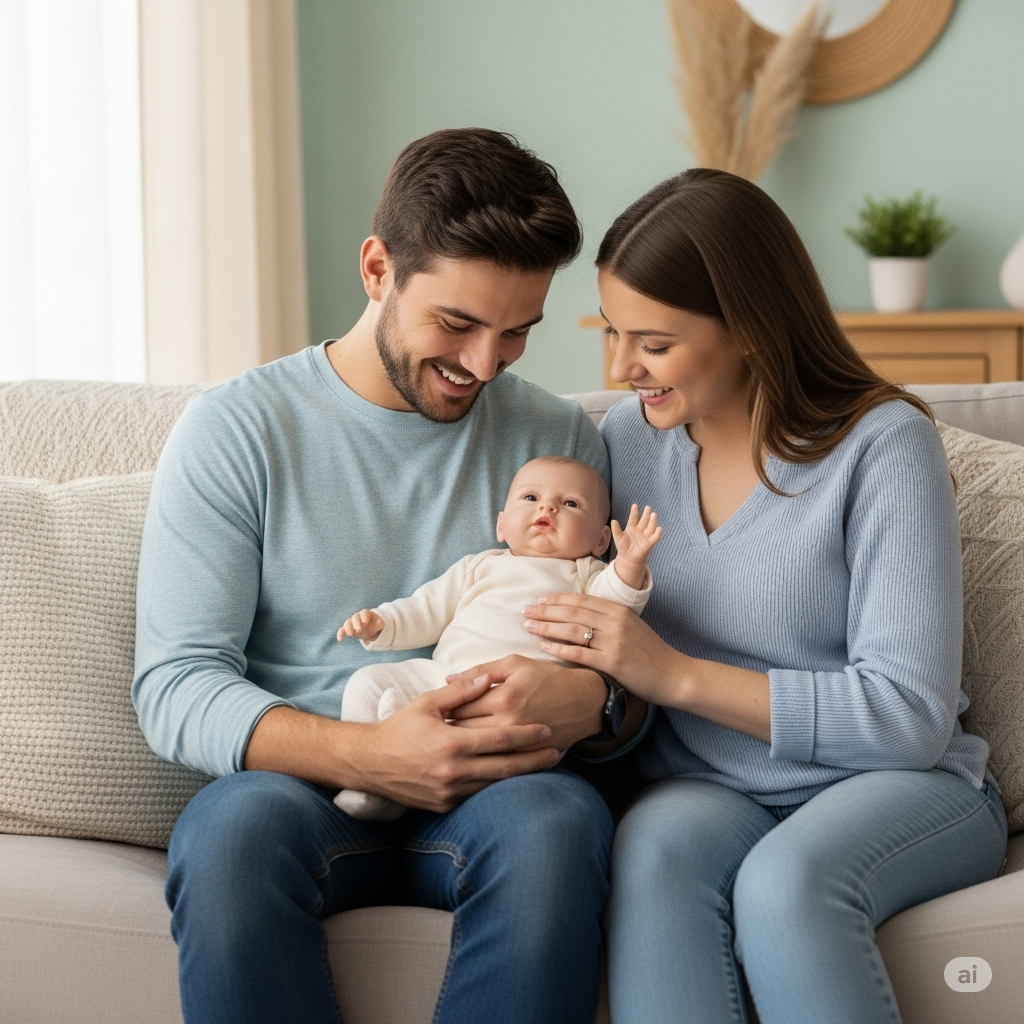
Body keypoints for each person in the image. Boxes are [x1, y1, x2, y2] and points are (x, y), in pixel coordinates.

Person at [133, 128, 645, 1024]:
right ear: (378, 270)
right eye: (457, 323)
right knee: (228, 836)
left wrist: (598, 707)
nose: (483, 365)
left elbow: (630, 672)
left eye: (516, 333)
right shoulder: (237, 430)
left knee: (557, 826)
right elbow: (175, 685)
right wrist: (368, 755)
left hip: (501, 791)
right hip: (306, 792)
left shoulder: (560, 442)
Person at [521, 168, 1009, 1024]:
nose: (621, 367)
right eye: (613, 331)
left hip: (898, 782)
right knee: (653, 855)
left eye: (653, 343)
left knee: (788, 883)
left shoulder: (883, 446)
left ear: (748, 326)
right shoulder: (626, 441)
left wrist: (673, 674)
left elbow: (910, 717)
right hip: (706, 789)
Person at [335, 455, 660, 819]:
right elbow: (428, 607)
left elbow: (614, 610)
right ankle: (371, 782)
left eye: (570, 503)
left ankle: (404, 741)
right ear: (502, 525)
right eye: (530, 498)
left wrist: (628, 565)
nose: (548, 508)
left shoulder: (586, 575)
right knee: (367, 683)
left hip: (515, 696)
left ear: (600, 540)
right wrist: (383, 622)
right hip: (442, 677)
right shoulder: (478, 566)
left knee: (482, 735)